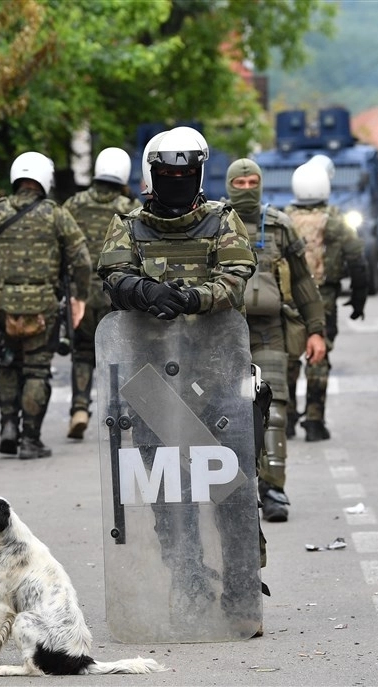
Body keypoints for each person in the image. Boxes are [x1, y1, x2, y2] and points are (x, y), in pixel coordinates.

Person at [97, 127, 261, 627]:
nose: (176, 182)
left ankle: (239, 588)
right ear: (151, 176)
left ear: (200, 174)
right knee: (170, 498)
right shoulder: (125, 224)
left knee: (231, 493)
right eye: (168, 175)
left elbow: (235, 279)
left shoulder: (222, 221)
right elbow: (111, 276)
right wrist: (143, 292)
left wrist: (193, 297)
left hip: (217, 375)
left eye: (185, 174)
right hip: (151, 383)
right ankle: (187, 581)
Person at [0, 151, 91, 459]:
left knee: (6, 363)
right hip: (43, 307)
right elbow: (82, 261)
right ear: (45, 180)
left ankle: (8, 424)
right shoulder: (56, 214)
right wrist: (80, 297)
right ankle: (30, 441)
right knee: (36, 371)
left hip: (3, 305)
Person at [224, 158, 326, 522]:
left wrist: (316, 330)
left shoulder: (280, 226)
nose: (247, 189)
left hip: (269, 332)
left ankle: (273, 490)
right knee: (219, 414)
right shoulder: (214, 223)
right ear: (229, 185)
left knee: (275, 412)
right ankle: (228, 491)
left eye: (254, 182)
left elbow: (303, 283)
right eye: (241, 183)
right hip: (221, 335)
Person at [284, 161, 368, 441]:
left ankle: (287, 418)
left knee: (288, 358)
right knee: (319, 358)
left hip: (290, 299)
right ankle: (315, 421)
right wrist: (358, 302)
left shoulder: (283, 220)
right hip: (325, 299)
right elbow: (357, 262)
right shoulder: (336, 221)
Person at [61, 147, 141, 440]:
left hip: (79, 295)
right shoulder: (128, 206)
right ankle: (118, 413)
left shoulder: (73, 203)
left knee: (82, 353)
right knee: (118, 354)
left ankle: (79, 408)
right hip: (115, 294)